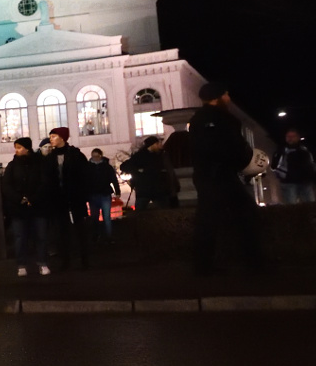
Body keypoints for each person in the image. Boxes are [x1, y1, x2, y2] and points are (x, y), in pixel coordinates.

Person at [189, 82, 264, 274]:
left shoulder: (199, 118)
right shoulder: (219, 118)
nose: (229, 98)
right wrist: (245, 162)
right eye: (226, 94)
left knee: (208, 219)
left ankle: (203, 265)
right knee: (245, 214)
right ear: (218, 97)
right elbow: (228, 146)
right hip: (219, 174)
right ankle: (254, 261)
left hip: (209, 174)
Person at [1, 137, 51, 276]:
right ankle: (21, 265)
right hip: (19, 208)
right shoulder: (12, 165)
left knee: (41, 236)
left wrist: (32, 198)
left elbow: (44, 184)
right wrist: (20, 198)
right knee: (20, 237)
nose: (16, 150)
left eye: (19, 147)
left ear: (27, 148)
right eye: (16, 148)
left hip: (38, 206)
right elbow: (6, 186)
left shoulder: (39, 164)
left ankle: (42, 263)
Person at [45, 127, 90, 270]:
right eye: (50, 136)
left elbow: (84, 176)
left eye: (53, 136)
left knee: (80, 229)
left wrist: (81, 195)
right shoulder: (50, 158)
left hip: (75, 198)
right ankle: (65, 260)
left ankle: (84, 259)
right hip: (58, 200)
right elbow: (47, 179)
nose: (51, 139)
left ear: (62, 138)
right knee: (61, 231)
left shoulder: (75, 155)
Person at [121, 136, 171, 210]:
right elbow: (124, 166)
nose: (160, 145)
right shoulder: (140, 156)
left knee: (164, 209)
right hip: (144, 188)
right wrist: (138, 171)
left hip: (157, 189)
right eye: (157, 143)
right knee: (141, 210)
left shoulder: (160, 155)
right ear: (152, 144)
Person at [271, 129, 316, 205]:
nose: (290, 138)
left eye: (293, 136)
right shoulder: (281, 151)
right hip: (289, 182)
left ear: (298, 137)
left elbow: (311, 165)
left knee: (310, 204)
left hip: (305, 182)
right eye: (288, 136)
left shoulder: (305, 150)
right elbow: (274, 166)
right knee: (292, 205)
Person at [86, 148, 121, 242]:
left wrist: (117, 191)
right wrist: (117, 191)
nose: (95, 158)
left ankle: (100, 236)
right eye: (94, 156)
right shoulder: (105, 166)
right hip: (100, 194)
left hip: (97, 194)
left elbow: (114, 179)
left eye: (96, 156)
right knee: (102, 217)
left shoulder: (89, 167)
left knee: (100, 217)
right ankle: (106, 236)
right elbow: (113, 180)